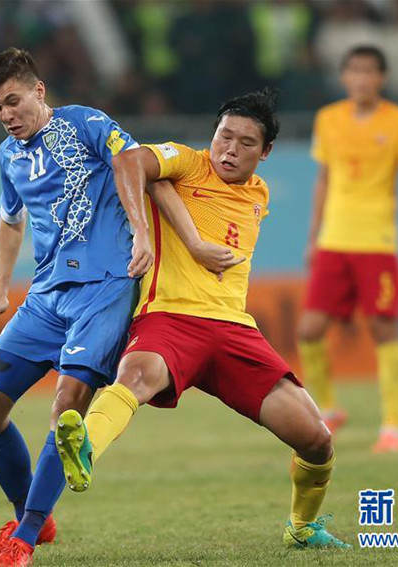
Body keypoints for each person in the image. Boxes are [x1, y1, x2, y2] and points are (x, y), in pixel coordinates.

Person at [55, 88, 350, 550]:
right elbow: (132, 163)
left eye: (245, 143)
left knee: (317, 440)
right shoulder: (188, 162)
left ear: (266, 152)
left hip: (234, 329)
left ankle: (303, 525)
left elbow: (159, 185)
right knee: (137, 374)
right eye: (223, 136)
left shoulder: (259, 193)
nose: (229, 149)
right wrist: (167, 236)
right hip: (170, 318)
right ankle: (84, 445)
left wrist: (166, 198)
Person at [0, 47, 227, 567]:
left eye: (13, 102)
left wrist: (138, 232)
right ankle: (31, 517)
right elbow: (11, 219)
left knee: (67, 408)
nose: (6, 116)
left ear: (38, 91)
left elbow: (131, 160)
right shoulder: (8, 156)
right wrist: (0, 291)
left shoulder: (83, 122)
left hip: (104, 288)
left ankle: (24, 537)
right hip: (43, 297)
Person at [297, 45, 398, 453]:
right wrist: (313, 235)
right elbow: (322, 179)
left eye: (370, 71)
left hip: (376, 242)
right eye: (354, 70)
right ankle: (331, 408)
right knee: (309, 331)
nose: (362, 78)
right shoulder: (328, 119)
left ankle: (393, 427)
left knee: (383, 329)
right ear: (344, 77)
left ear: (382, 78)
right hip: (334, 241)